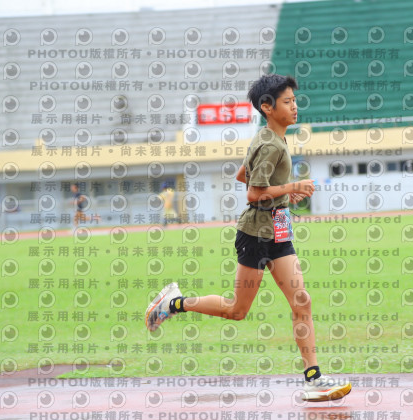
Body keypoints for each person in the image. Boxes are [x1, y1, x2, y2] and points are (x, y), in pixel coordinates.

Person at [145, 74, 352, 402]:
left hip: (278, 230)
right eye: (287, 101)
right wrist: (291, 187)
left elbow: (243, 174)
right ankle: (173, 303)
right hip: (256, 235)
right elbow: (253, 193)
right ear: (267, 107)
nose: (295, 106)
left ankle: (313, 379)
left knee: (302, 301)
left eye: (294, 100)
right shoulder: (270, 143)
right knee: (237, 310)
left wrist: (282, 196)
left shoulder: (270, 137)